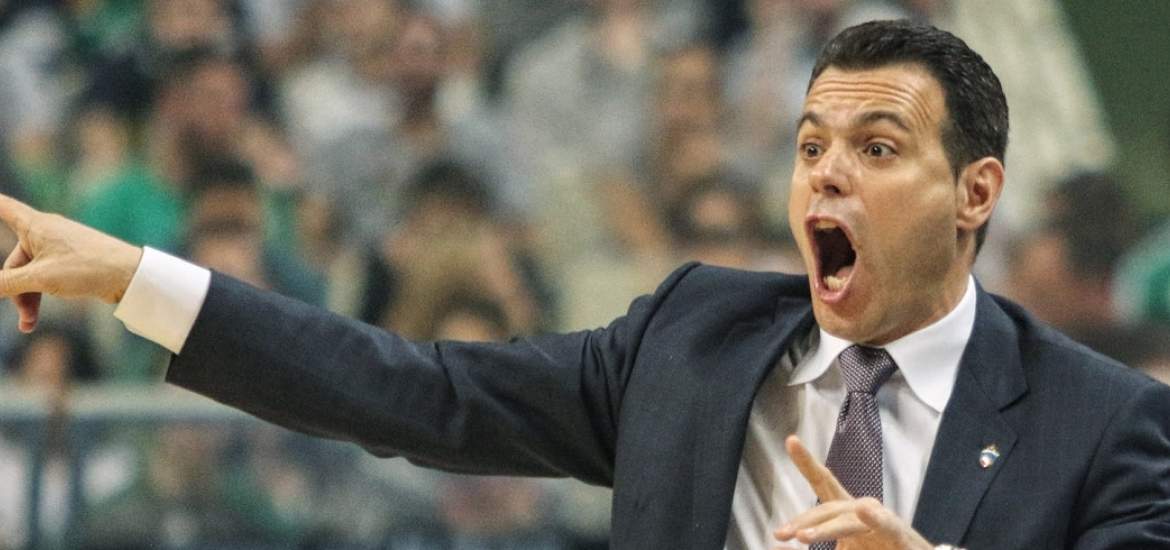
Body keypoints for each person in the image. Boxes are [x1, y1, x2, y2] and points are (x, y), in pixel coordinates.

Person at [0, 19, 1167, 550]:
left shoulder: (1102, 420)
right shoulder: (692, 339)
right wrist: (135, 277)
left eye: (877, 148)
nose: (826, 174)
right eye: (811, 144)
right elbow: (414, 388)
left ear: (975, 192)